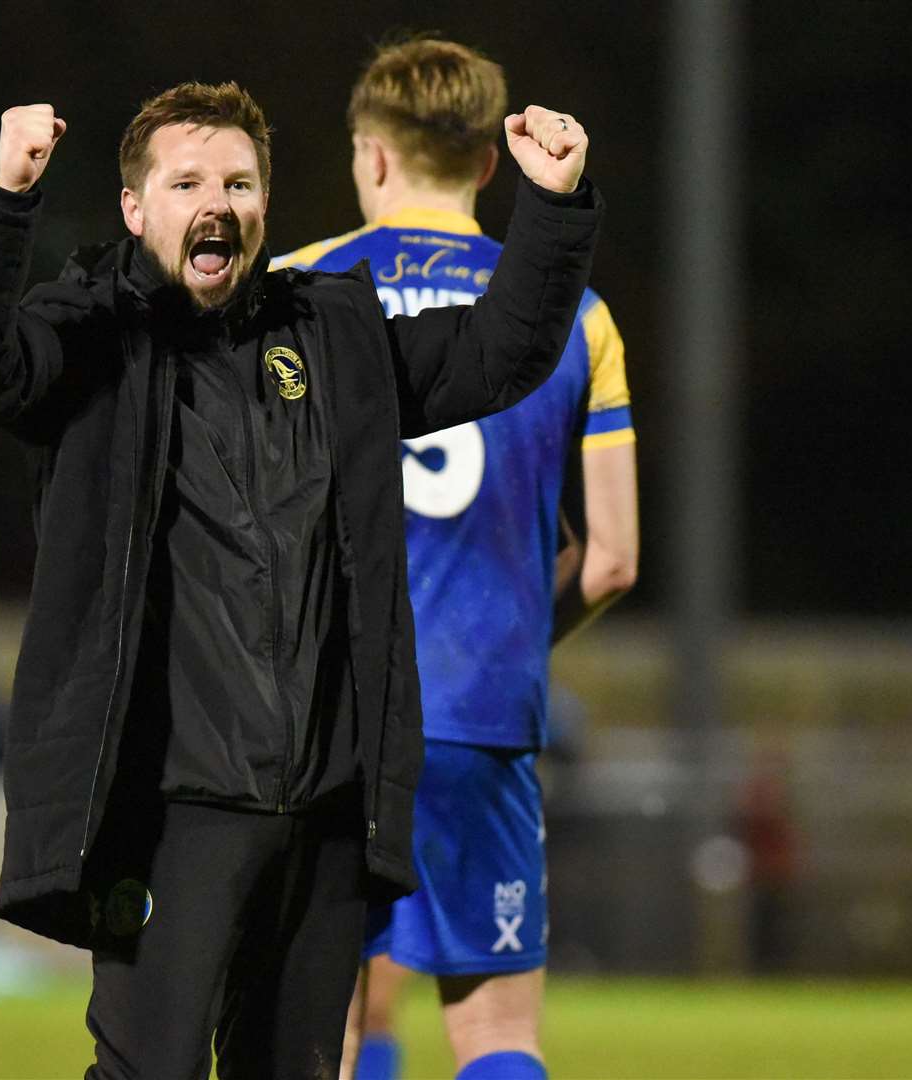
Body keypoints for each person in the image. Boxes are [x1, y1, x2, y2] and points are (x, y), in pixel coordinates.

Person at [0, 79, 603, 1078]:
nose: (218, 202)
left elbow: (498, 353)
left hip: (324, 812)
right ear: (135, 207)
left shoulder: (334, 335)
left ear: (264, 208)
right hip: (168, 815)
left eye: (239, 183)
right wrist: (5, 195)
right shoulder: (93, 336)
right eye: (187, 180)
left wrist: (551, 209)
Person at [273, 39, 638, 1080]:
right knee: (497, 1037)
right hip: (479, 710)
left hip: (320, 720)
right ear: (488, 164)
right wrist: (521, 634)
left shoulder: (291, 290)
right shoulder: (576, 311)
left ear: (371, 157)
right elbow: (610, 559)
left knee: (322, 1033)